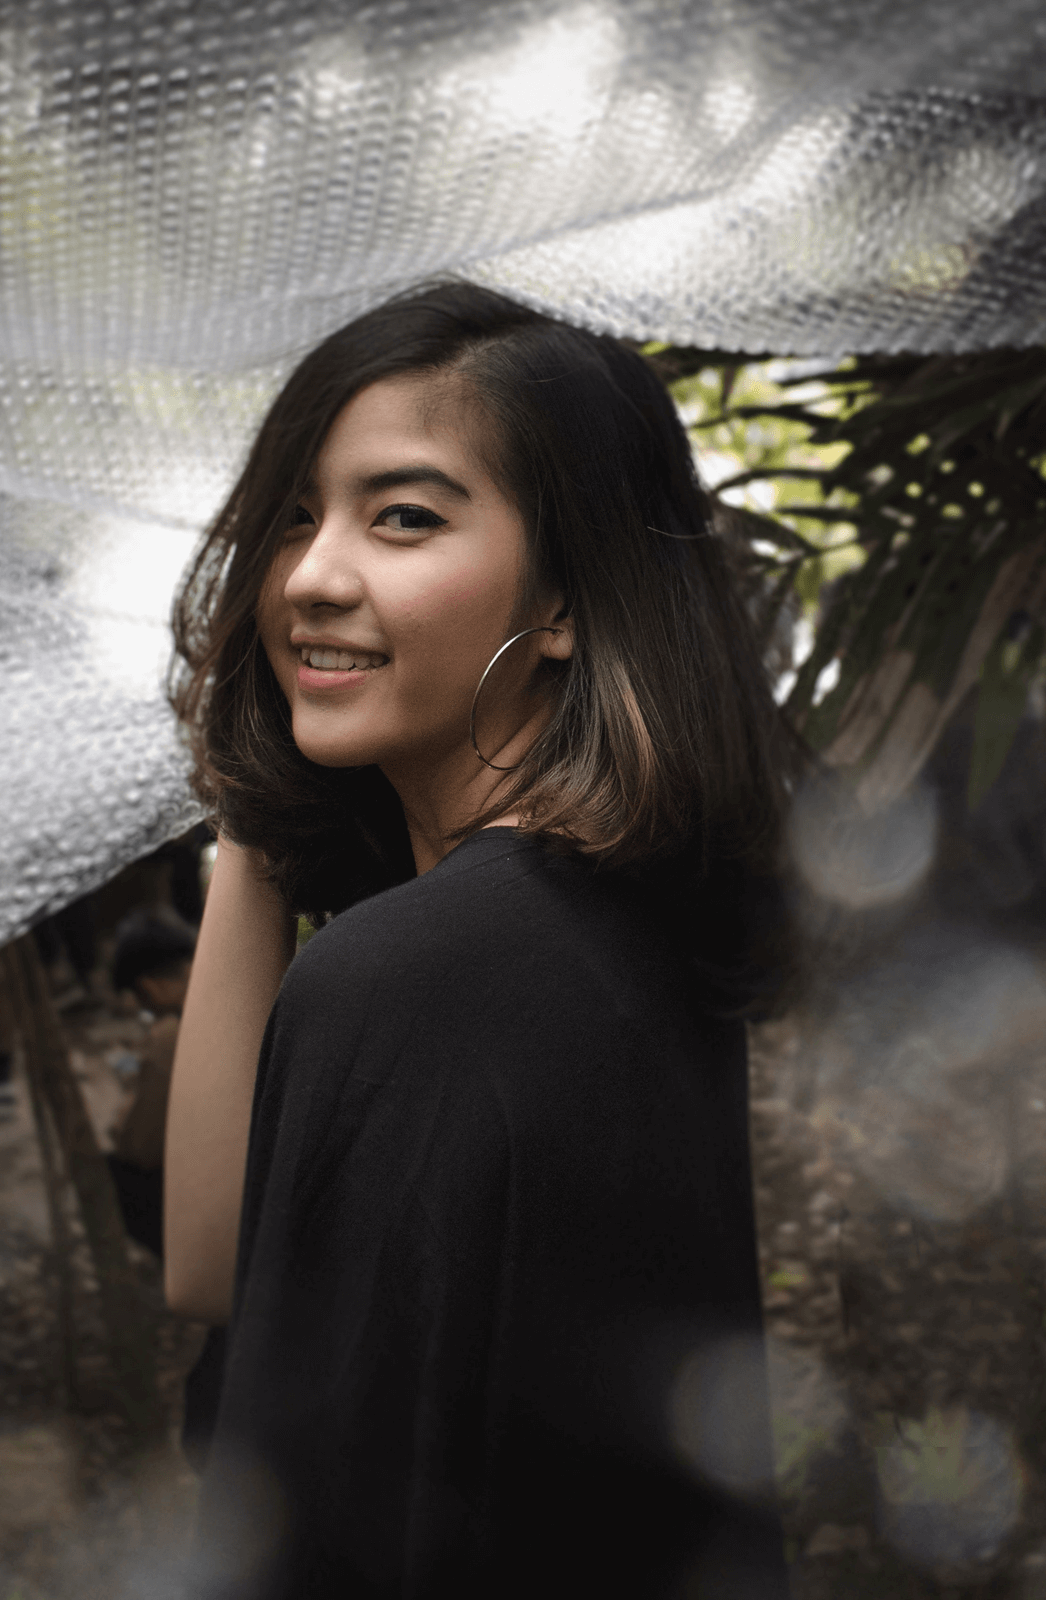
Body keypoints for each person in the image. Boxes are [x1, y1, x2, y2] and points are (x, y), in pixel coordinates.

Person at [165, 282, 794, 1597]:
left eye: (403, 517)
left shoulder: (419, 980)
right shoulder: (611, 919)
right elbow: (221, 1268)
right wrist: (256, 817)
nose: (312, 577)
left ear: (565, 601)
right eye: (293, 518)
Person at [106, 911, 196, 1256]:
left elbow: (139, 1147)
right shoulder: (238, 995)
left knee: (117, 1172)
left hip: (217, 1196)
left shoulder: (168, 1037)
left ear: (149, 987)